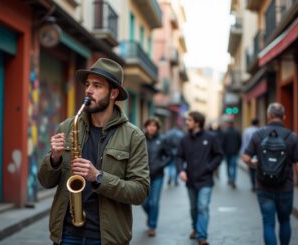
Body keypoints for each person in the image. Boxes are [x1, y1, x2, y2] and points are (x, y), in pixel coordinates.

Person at [38, 58, 150, 245]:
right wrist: (54, 158)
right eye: (88, 84)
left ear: (114, 93)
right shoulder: (67, 126)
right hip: (66, 234)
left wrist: (98, 177)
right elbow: (45, 181)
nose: (88, 90)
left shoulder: (133, 136)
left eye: (97, 86)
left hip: (106, 237)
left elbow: (140, 192)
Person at [242, 102, 298, 245]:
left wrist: (256, 164)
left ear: (268, 116)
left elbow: (245, 158)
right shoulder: (292, 136)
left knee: (268, 223)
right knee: (285, 221)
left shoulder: (257, 135)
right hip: (285, 187)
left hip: (263, 186)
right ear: (284, 116)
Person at [176, 111, 223, 245]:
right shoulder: (184, 139)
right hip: (190, 180)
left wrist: (209, 168)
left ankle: (202, 236)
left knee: (202, 207)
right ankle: (195, 228)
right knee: (194, 208)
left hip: (206, 180)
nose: (186, 122)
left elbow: (219, 155)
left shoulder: (211, 137)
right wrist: (181, 171)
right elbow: (179, 156)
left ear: (197, 122)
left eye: (189, 120)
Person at [142, 117, 170, 237]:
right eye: (149, 125)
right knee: (144, 202)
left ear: (157, 128)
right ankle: (151, 216)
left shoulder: (162, 139)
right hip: (143, 176)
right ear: (146, 127)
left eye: (154, 126)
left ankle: (152, 226)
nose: (151, 128)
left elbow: (169, 156)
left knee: (154, 202)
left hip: (158, 175)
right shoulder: (140, 138)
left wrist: (160, 165)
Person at [241, 118, 260, 191]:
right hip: (257, 153)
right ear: (258, 123)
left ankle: (253, 184)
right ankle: (257, 183)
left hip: (249, 153)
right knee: (257, 169)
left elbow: (244, 142)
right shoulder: (259, 131)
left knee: (251, 169)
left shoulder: (247, 130)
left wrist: (243, 153)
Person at [222, 120, 242, 189]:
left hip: (227, 152)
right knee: (234, 167)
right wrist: (238, 150)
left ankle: (229, 179)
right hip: (235, 152)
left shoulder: (225, 132)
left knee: (228, 166)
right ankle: (233, 180)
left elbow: (223, 143)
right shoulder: (237, 132)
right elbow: (240, 142)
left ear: (228, 124)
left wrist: (223, 151)